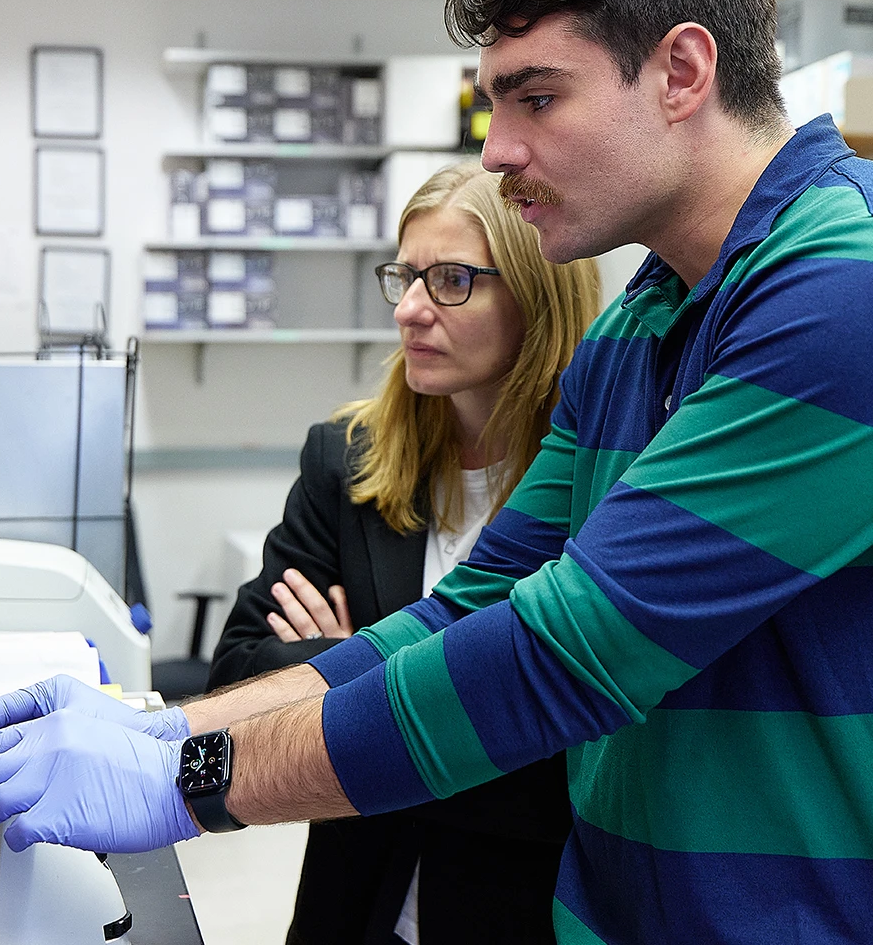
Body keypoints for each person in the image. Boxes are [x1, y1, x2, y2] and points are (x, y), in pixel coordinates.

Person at [0, 0, 873, 945]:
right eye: (495, 102)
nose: (499, 152)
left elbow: (575, 649)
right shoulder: (644, 322)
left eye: (538, 98)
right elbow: (476, 607)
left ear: (683, 72)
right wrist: (168, 728)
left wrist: (188, 788)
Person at [206, 161, 600, 945]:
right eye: (406, 277)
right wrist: (459, 704)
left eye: (452, 280)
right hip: (356, 907)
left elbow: (577, 767)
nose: (412, 310)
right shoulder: (346, 459)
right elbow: (235, 673)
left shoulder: (599, 478)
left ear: (537, 292)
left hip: (522, 912)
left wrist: (350, 670)